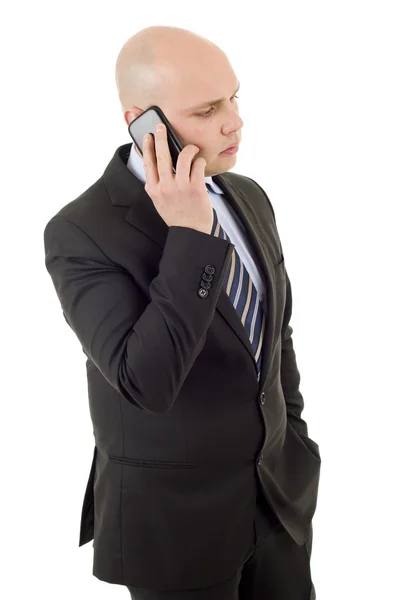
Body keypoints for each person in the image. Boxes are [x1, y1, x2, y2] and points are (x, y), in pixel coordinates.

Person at [43, 25, 321, 600]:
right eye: (207, 110)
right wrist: (190, 236)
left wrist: (293, 433)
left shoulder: (246, 195)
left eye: (234, 98)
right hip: (177, 530)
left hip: (278, 500)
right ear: (141, 123)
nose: (234, 122)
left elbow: (275, 332)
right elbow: (145, 382)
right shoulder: (80, 232)